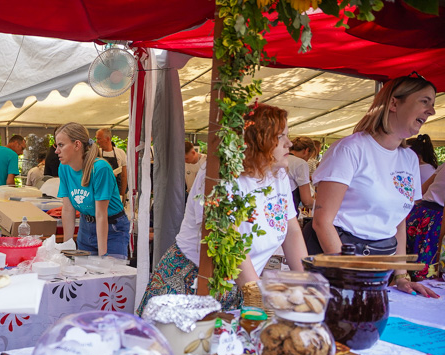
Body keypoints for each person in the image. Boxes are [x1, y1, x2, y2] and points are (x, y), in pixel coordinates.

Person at [137, 104, 308, 313]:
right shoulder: (218, 174)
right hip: (194, 281)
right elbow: (228, 241)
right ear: (257, 141)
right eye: (280, 136)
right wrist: (256, 293)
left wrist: (306, 283)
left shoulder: (278, 174)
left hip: (242, 285)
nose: (289, 143)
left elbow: (292, 231)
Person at [305, 74, 438, 298]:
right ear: (394, 103)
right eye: (424, 101)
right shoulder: (350, 149)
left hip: (378, 266)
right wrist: (348, 276)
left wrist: (402, 276)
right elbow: (322, 222)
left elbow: (398, 223)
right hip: (335, 260)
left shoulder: (409, 159)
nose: (431, 111)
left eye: (432, 104)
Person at [56, 122, 130, 258]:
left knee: (109, 274)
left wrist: (103, 256)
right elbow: (67, 209)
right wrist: (67, 247)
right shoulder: (64, 168)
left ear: (77, 145)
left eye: (61, 145)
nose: (56, 151)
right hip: (86, 226)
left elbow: (101, 214)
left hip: (112, 228)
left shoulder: (100, 169)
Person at [406, 163, 445, 280]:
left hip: (420, 213)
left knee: (405, 269)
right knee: (426, 276)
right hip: (436, 221)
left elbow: (421, 190)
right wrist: (438, 249)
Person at [96, 128, 128, 202]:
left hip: (116, 191)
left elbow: (124, 175)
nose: (97, 142)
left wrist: (122, 194)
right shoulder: (97, 153)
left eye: (99, 139)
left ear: (107, 139)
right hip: (100, 192)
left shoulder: (120, 152)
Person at [287, 136, 316, 211]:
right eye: (309, 156)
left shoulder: (279, 159)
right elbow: (306, 201)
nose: (307, 160)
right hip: (289, 210)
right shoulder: (300, 163)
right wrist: (320, 206)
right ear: (306, 150)